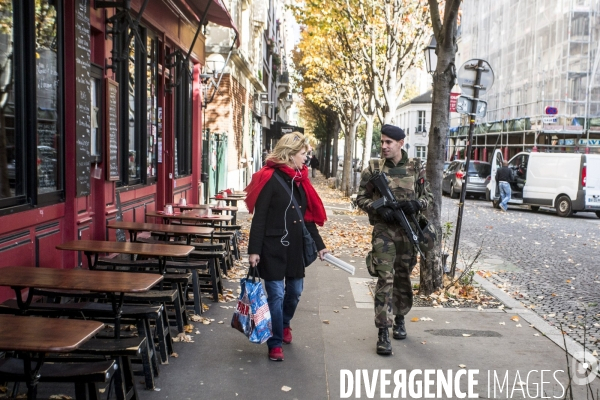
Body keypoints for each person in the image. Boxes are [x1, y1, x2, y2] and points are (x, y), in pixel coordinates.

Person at [244, 132, 329, 362]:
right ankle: (275, 342)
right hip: (271, 247)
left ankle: (284, 323)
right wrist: (254, 251)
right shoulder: (269, 179)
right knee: (276, 295)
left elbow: (306, 219)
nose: (306, 158)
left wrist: (320, 246)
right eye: (303, 154)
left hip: (294, 248)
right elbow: (259, 217)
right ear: (290, 155)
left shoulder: (300, 180)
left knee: (295, 292)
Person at [356, 124, 433, 356]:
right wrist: (378, 209)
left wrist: (416, 204)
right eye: (382, 142)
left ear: (401, 143)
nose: (384, 146)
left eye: (389, 142)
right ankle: (383, 331)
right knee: (384, 279)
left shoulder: (416, 167)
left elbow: (428, 196)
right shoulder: (373, 168)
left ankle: (399, 318)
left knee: (402, 277)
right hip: (384, 233)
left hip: (407, 230)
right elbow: (360, 197)